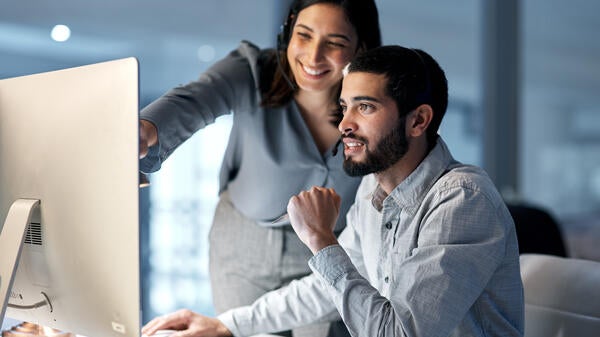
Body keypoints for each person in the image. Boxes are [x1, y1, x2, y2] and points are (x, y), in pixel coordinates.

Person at [141, 45, 525, 337]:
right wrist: (227, 324)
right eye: (344, 107)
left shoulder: (461, 199)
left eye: (365, 108)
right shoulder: (373, 190)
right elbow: (326, 289)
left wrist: (322, 239)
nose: (344, 124)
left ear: (418, 120)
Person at [139, 1, 381, 336]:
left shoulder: (375, 106)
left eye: (335, 43)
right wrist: (148, 128)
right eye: (304, 36)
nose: (313, 57)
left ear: (361, 47)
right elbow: (194, 99)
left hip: (327, 245)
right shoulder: (252, 70)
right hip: (243, 245)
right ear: (287, 32)